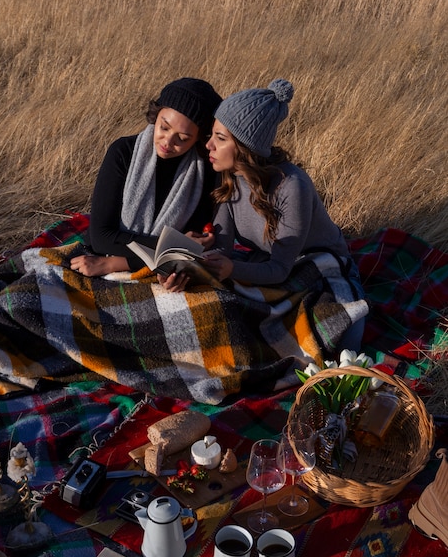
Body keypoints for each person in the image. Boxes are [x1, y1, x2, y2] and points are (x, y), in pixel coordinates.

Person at [163, 78, 366, 351]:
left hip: (319, 267)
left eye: (220, 138)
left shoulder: (292, 185)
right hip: (268, 266)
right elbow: (223, 252)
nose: (208, 145)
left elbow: (280, 269)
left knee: (338, 341)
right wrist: (191, 265)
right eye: (212, 135)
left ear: (246, 148)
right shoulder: (230, 177)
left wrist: (232, 268)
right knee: (215, 311)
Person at [70, 77, 222, 277]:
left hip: (153, 270)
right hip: (100, 254)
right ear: (156, 115)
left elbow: (190, 250)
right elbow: (101, 237)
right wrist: (173, 246)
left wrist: (115, 263)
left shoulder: (203, 173)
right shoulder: (123, 152)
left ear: (198, 139)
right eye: (164, 127)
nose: (168, 141)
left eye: (183, 138)